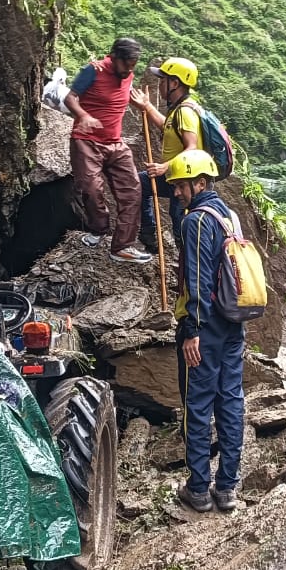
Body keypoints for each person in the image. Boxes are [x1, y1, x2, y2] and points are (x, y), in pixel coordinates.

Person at [166, 149, 245, 513]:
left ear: (199, 183)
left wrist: (192, 329)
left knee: (198, 404)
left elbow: (197, 278)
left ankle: (198, 488)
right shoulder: (229, 216)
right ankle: (227, 488)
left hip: (205, 324)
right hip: (232, 321)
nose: (176, 192)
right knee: (230, 400)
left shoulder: (196, 221)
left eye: (181, 185)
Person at [65, 38, 153, 264]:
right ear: (114, 57)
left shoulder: (127, 75)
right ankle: (98, 229)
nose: (130, 70)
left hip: (115, 143)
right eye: (126, 65)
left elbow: (122, 95)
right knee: (91, 189)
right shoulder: (93, 70)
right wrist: (83, 115)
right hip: (86, 141)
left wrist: (140, 104)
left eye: (133, 66)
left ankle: (122, 247)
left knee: (133, 191)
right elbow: (70, 98)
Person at [129, 57, 201, 249]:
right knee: (140, 183)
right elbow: (166, 126)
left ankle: (186, 260)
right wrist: (147, 106)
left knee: (179, 220)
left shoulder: (185, 112)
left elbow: (192, 147)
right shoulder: (177, 110)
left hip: (185, 178)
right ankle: (149, 236)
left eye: (163, 80)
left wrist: (164, 167)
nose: (160, 84)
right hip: (173, 175)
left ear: (174, 83)